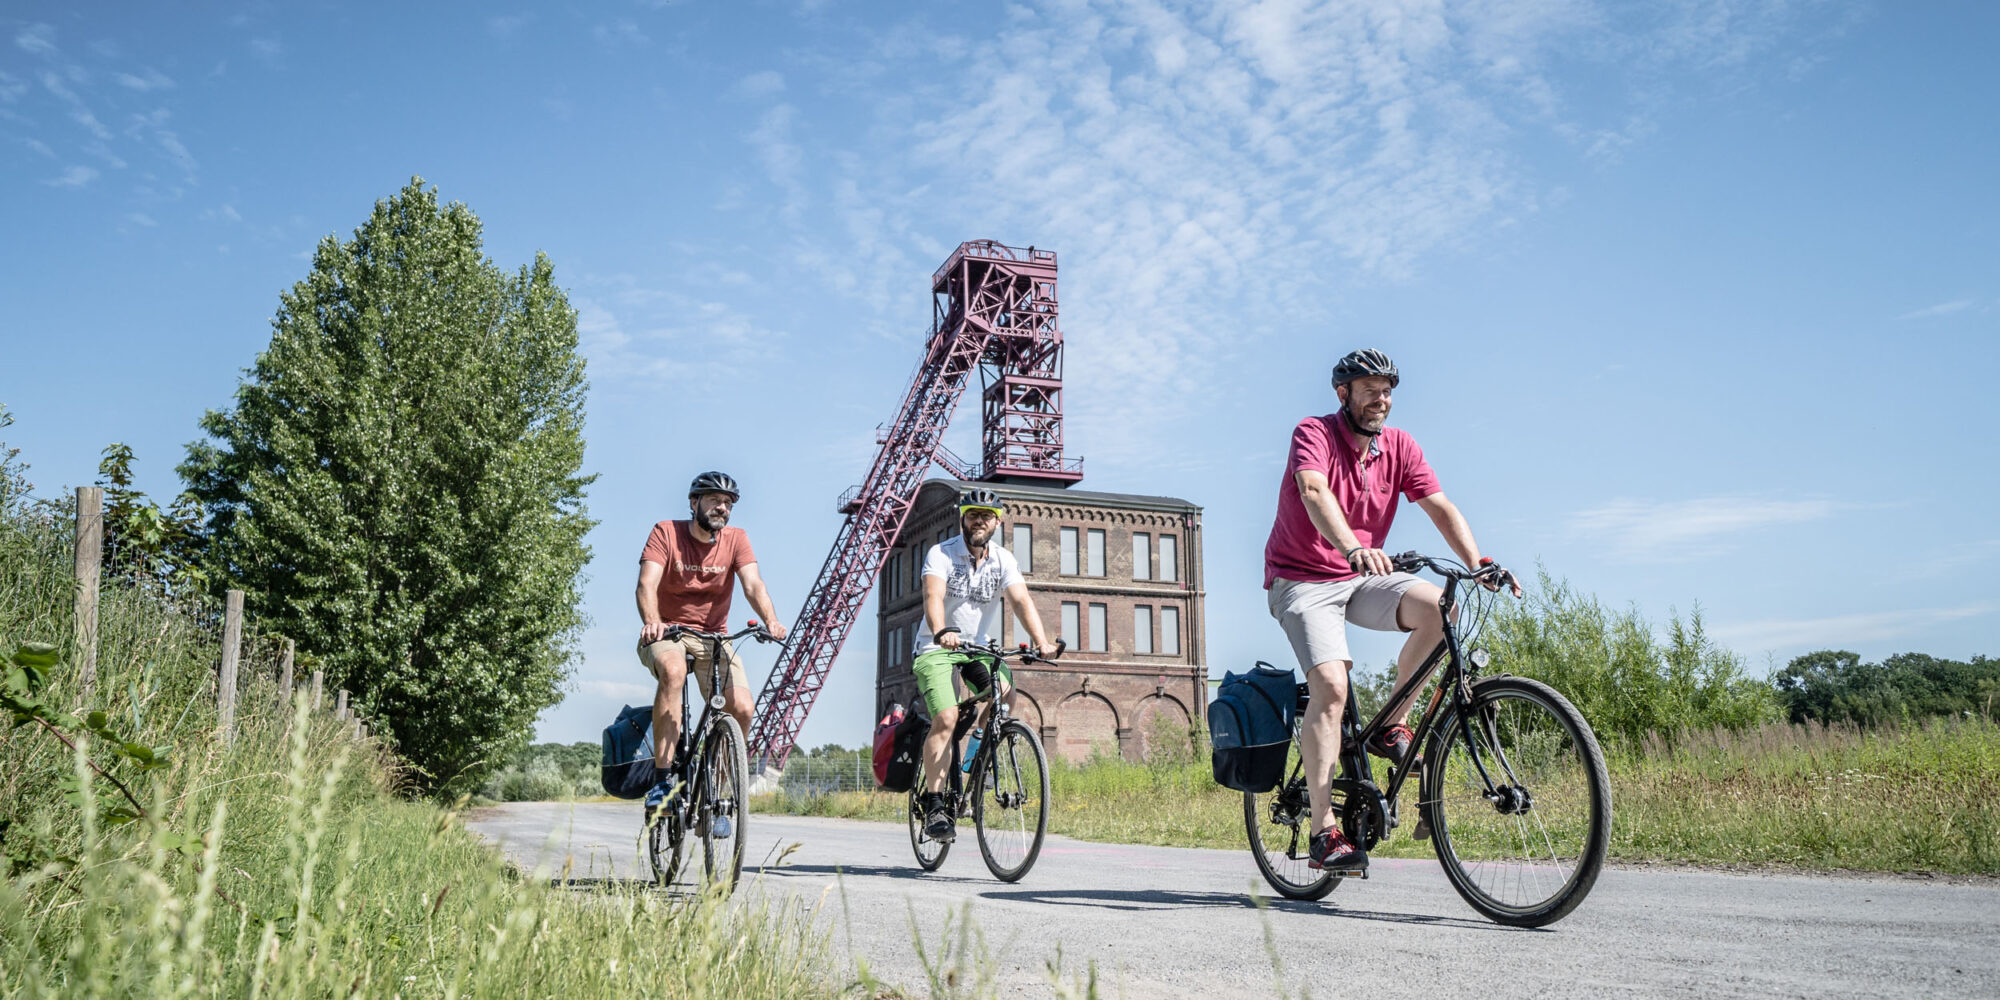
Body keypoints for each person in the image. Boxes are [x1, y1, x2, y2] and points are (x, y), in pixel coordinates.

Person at [1263, 348, 1521, 872]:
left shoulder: (1399, 447)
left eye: (1387, 390)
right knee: (1332, 686)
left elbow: (1440, 506)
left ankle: (1390, 726)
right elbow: (1314, 490)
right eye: (1369, 389)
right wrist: (1351, 545)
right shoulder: (1313, 433)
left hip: (1359, 577)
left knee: (1440, 608)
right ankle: (1322, 830)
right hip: (1303, 579)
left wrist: (1480, 563)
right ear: (1344, 394)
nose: (1381, 399)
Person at [635, 471, 788, 818]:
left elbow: (753, 585)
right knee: (673, 672)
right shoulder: (666, 532)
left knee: (744, 708)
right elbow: (646, 584)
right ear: (694, 503)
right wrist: (653, 622)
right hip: (666, 632)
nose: (722, 507)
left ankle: (714, 793)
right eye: (714, 500)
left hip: (713, 637)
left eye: (728, 503)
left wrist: (771, 620)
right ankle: (662, 781)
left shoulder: (736, 539)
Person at [913, 488, 1061, 842]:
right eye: (972, 514)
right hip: (936, 646)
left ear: (998, 520)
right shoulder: (941, 553)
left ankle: (979, 749)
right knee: (946, 718)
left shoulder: (1003, 560)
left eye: (986, 515)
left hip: (975, 648)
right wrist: (941, 629)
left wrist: (1041, 642)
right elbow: (933, 595)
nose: (979, 520)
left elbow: (1021, 599)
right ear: (962, 518)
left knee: (1006, 695)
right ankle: (935, 806)